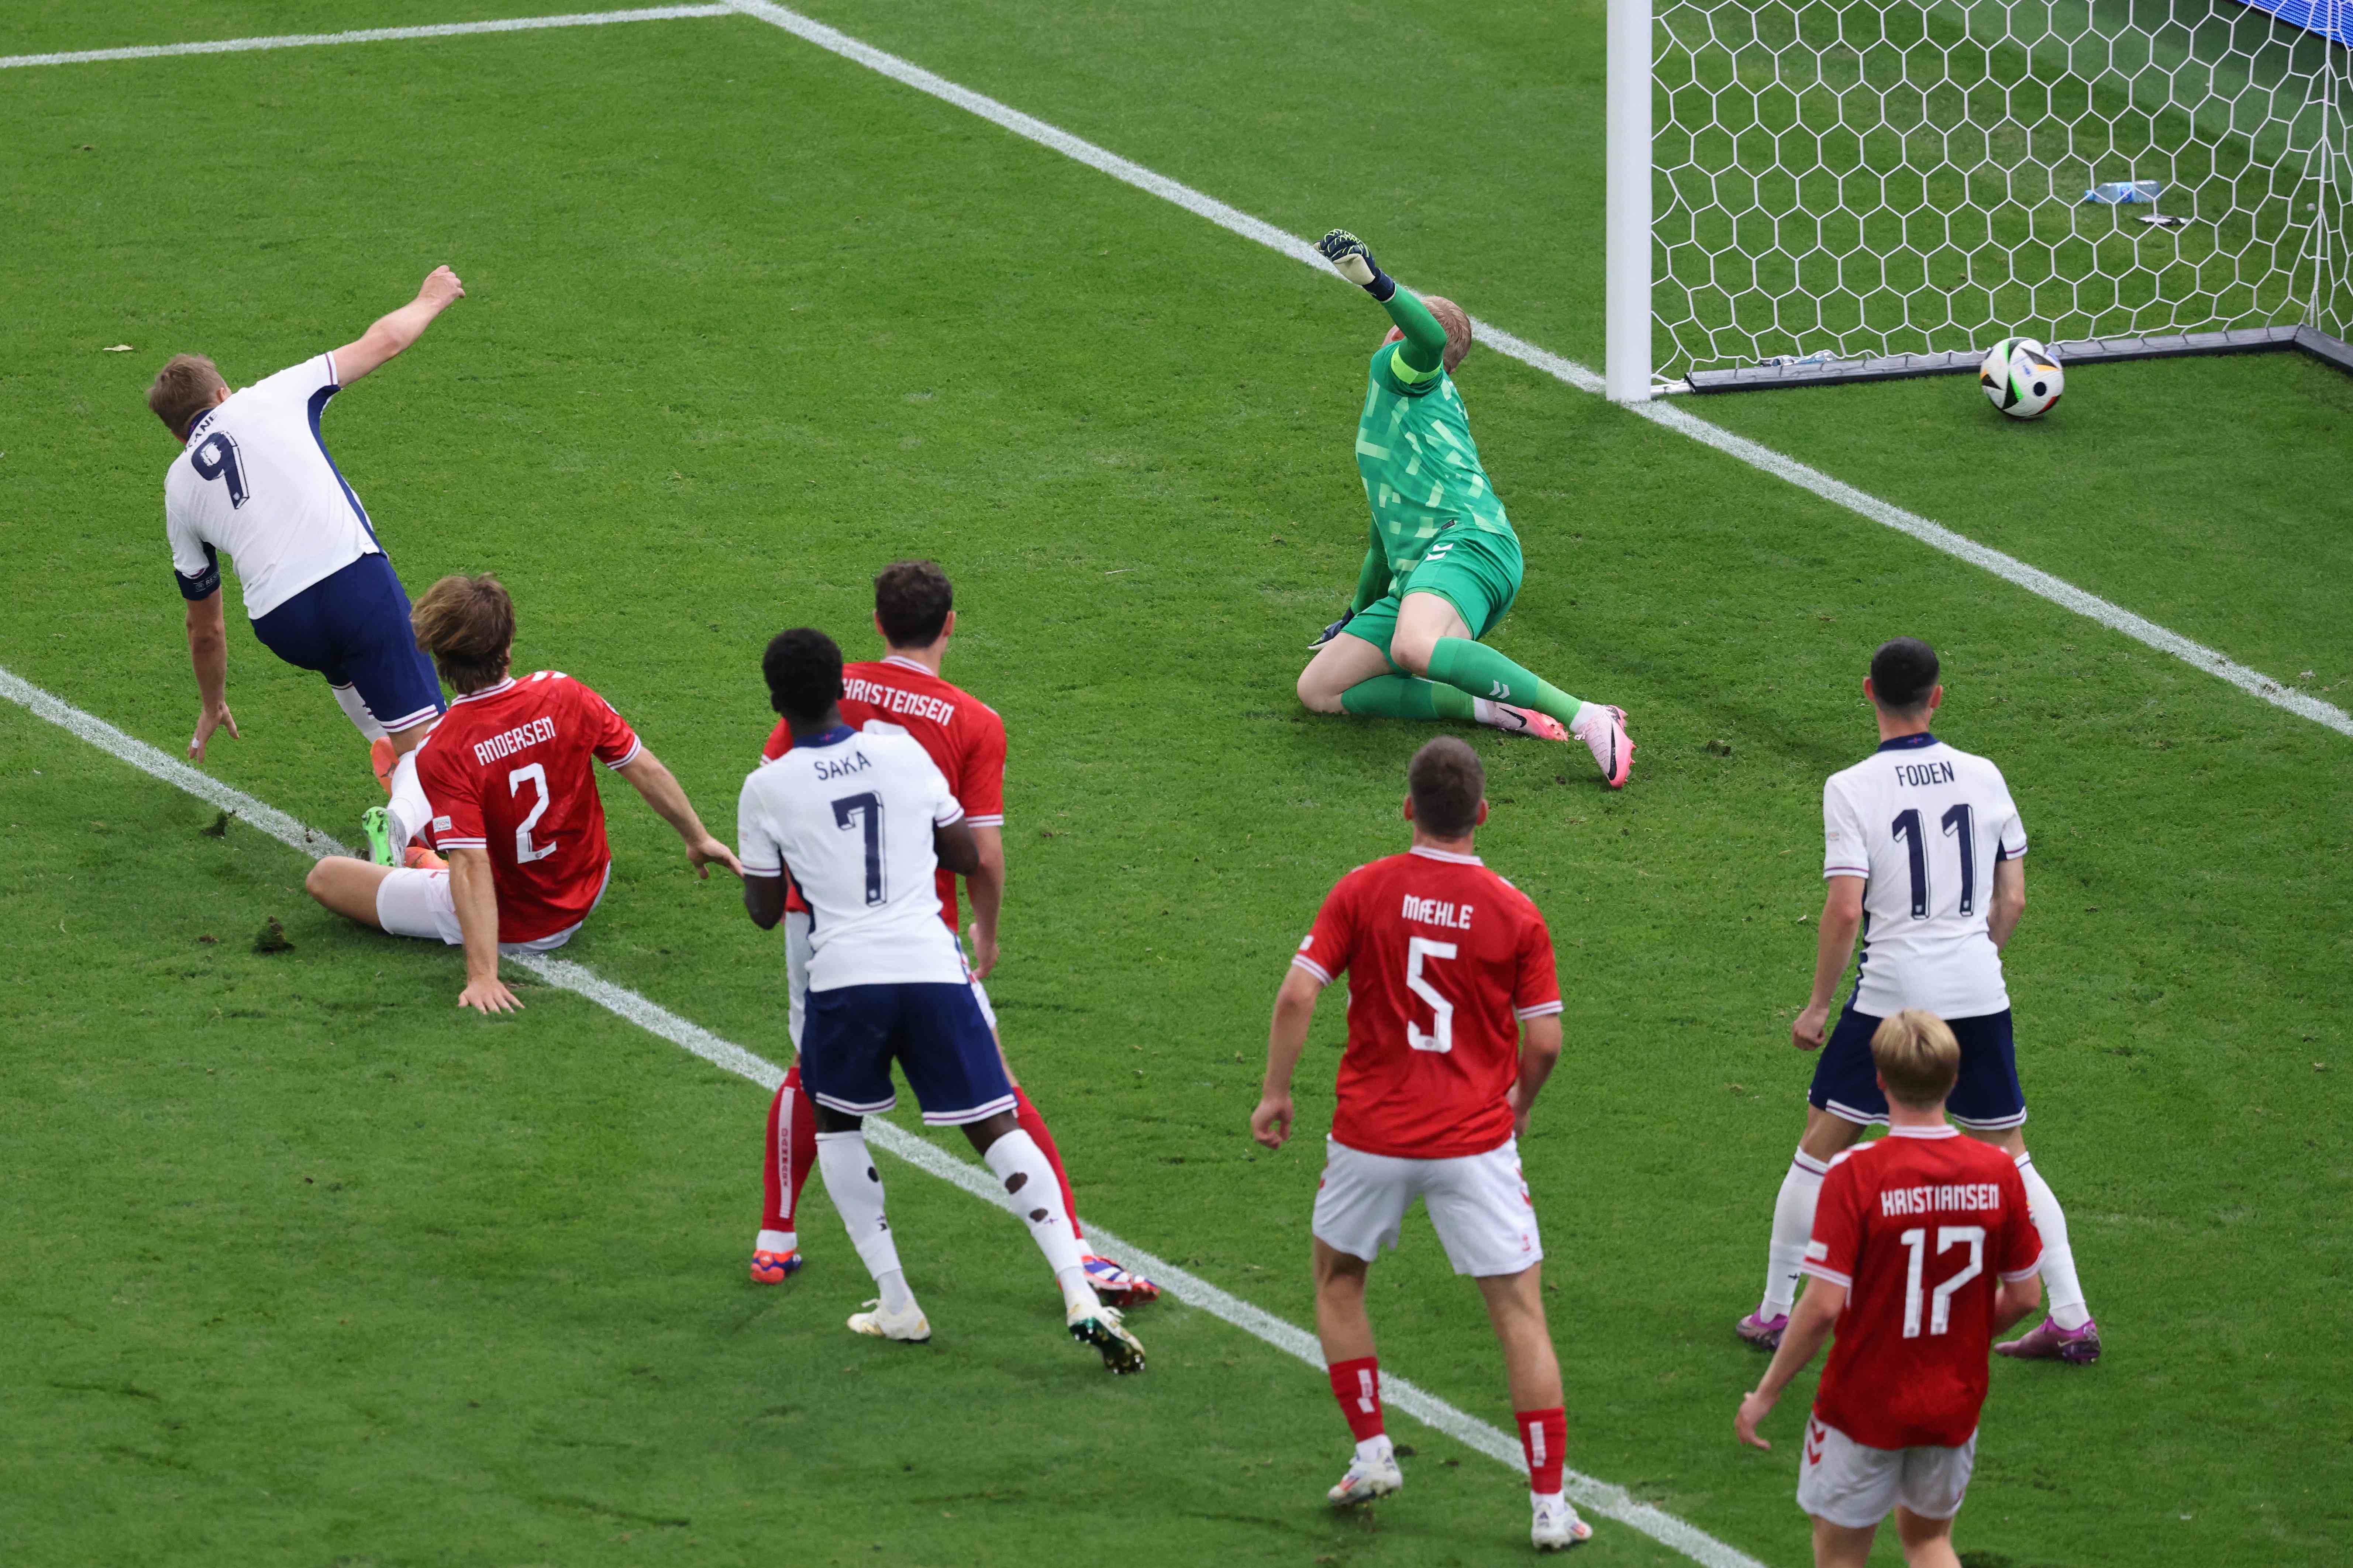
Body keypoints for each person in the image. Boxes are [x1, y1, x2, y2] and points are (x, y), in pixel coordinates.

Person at [745, 562, 1157, 1304]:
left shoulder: (829, 685)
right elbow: (981, 853)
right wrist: (987, 932)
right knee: (993, 1086)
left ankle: (778, 1235)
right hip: (913, 926)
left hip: (817, 919)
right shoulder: (971, 720)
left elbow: (780, 785)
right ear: (950, 624)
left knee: (815, 1071)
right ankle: (1080, 1258)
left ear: (874, 621)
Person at [1252, 736, 1591, 1550]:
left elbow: (1298, 991)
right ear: (1481, 813)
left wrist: (1274, 1091)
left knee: (1337, 1280)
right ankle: (1548, 1507)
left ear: (1408, 807)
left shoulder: (1363, 889)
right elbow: (1543, 1041)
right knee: (1517, 1311)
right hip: (1473, 1141)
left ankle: (1370, 1450)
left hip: (1369, 1133)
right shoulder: (1515, 912)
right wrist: (1518, 1105)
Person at [1737, 637, 2097, 1363]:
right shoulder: (1984, 774)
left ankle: (1778, 1308)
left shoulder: (1850, 786)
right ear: (1936, 696)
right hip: (1977, 988)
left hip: (1891, 997)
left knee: (1819, 1149)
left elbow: (1844, 911)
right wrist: (1973, 959)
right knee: (2010, 1155)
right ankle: (2070, 1315)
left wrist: (1814, 1006)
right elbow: (2014, 898)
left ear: (1867, 690)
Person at [149, 266, 468, 867]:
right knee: (432, 742)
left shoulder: (176, 486)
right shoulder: (270, 394)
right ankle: (406, 832)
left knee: (366, 695)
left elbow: (206, 625)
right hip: (352, 582)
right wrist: (431, 299)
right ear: (223, 393)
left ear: (176, 434)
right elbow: (384, 342)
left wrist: (213, 701)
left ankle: (397, 781)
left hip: (282, 621)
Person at [303, 574, 740, 1013]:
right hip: (588, 887)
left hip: (514, 923)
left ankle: (419, 836)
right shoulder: (564, 692)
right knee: (463, 819)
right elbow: (643, 767)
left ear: (438, 657)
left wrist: (482, 976)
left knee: (326, 876)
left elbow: (472, 865)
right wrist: (697, 837)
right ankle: (425, 839)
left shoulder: (443, 747)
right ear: (508, 642)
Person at [1293, 229, 1633, 788]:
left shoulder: (1402, 371)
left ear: (1401, 335)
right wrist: (1355, 612)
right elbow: (1384, 539)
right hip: (1427, 566)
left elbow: (1426, 338)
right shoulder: (1402, 410)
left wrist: (1375, 281)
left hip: (1470, 543)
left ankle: (1590, 717)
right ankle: (1488, 708)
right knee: (1321, 689)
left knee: (1413, 645)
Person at [1735, 1010, 2045, 1568]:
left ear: (1880, 1080)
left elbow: (1824, 1305)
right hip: (1953, 1399)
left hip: (1863, 1402)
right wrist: (1961, 1333)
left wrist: (1768, 1391)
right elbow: (2026, 1295)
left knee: (1840, 1554)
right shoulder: (1997, 1171)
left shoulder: (1857, 1172)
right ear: (1955, 1079)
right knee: (1928, 1542)